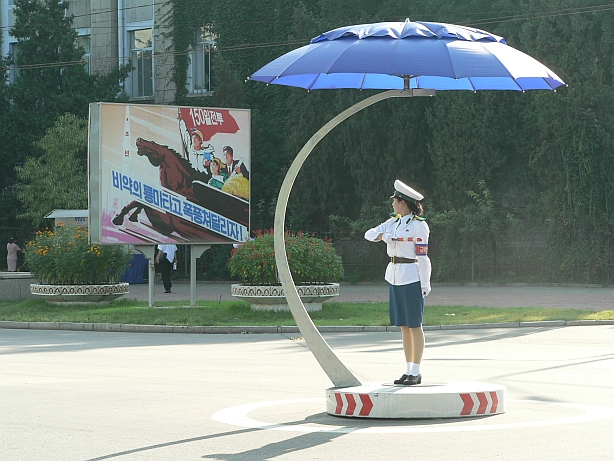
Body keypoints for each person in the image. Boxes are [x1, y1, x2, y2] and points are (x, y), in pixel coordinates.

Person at [364, 180, 432, 386]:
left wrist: (425, 283)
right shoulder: (393, 223)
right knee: (403, 326)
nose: (392, 204)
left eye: (395, 200)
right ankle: (408, 369)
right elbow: (369, 234)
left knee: (414, 325)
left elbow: (423, 256)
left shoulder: (419, 226)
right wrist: (386, 236)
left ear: (403, 202)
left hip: (412, 277)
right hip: (394, 275)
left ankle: (417, 371)